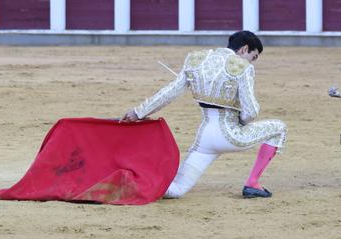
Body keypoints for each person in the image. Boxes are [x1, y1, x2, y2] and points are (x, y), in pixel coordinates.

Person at [121, 31, 286, 199]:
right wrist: (242, 121)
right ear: (244, 49)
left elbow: (169, 93)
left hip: (204, 140)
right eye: (254, 57)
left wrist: (138, 112)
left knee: (175, 189)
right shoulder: (243, 67)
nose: (252, 62)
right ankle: (252, 183)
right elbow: (250, 112)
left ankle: (133, 182)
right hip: (231, 136)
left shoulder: (195, 60)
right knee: (279, 128)